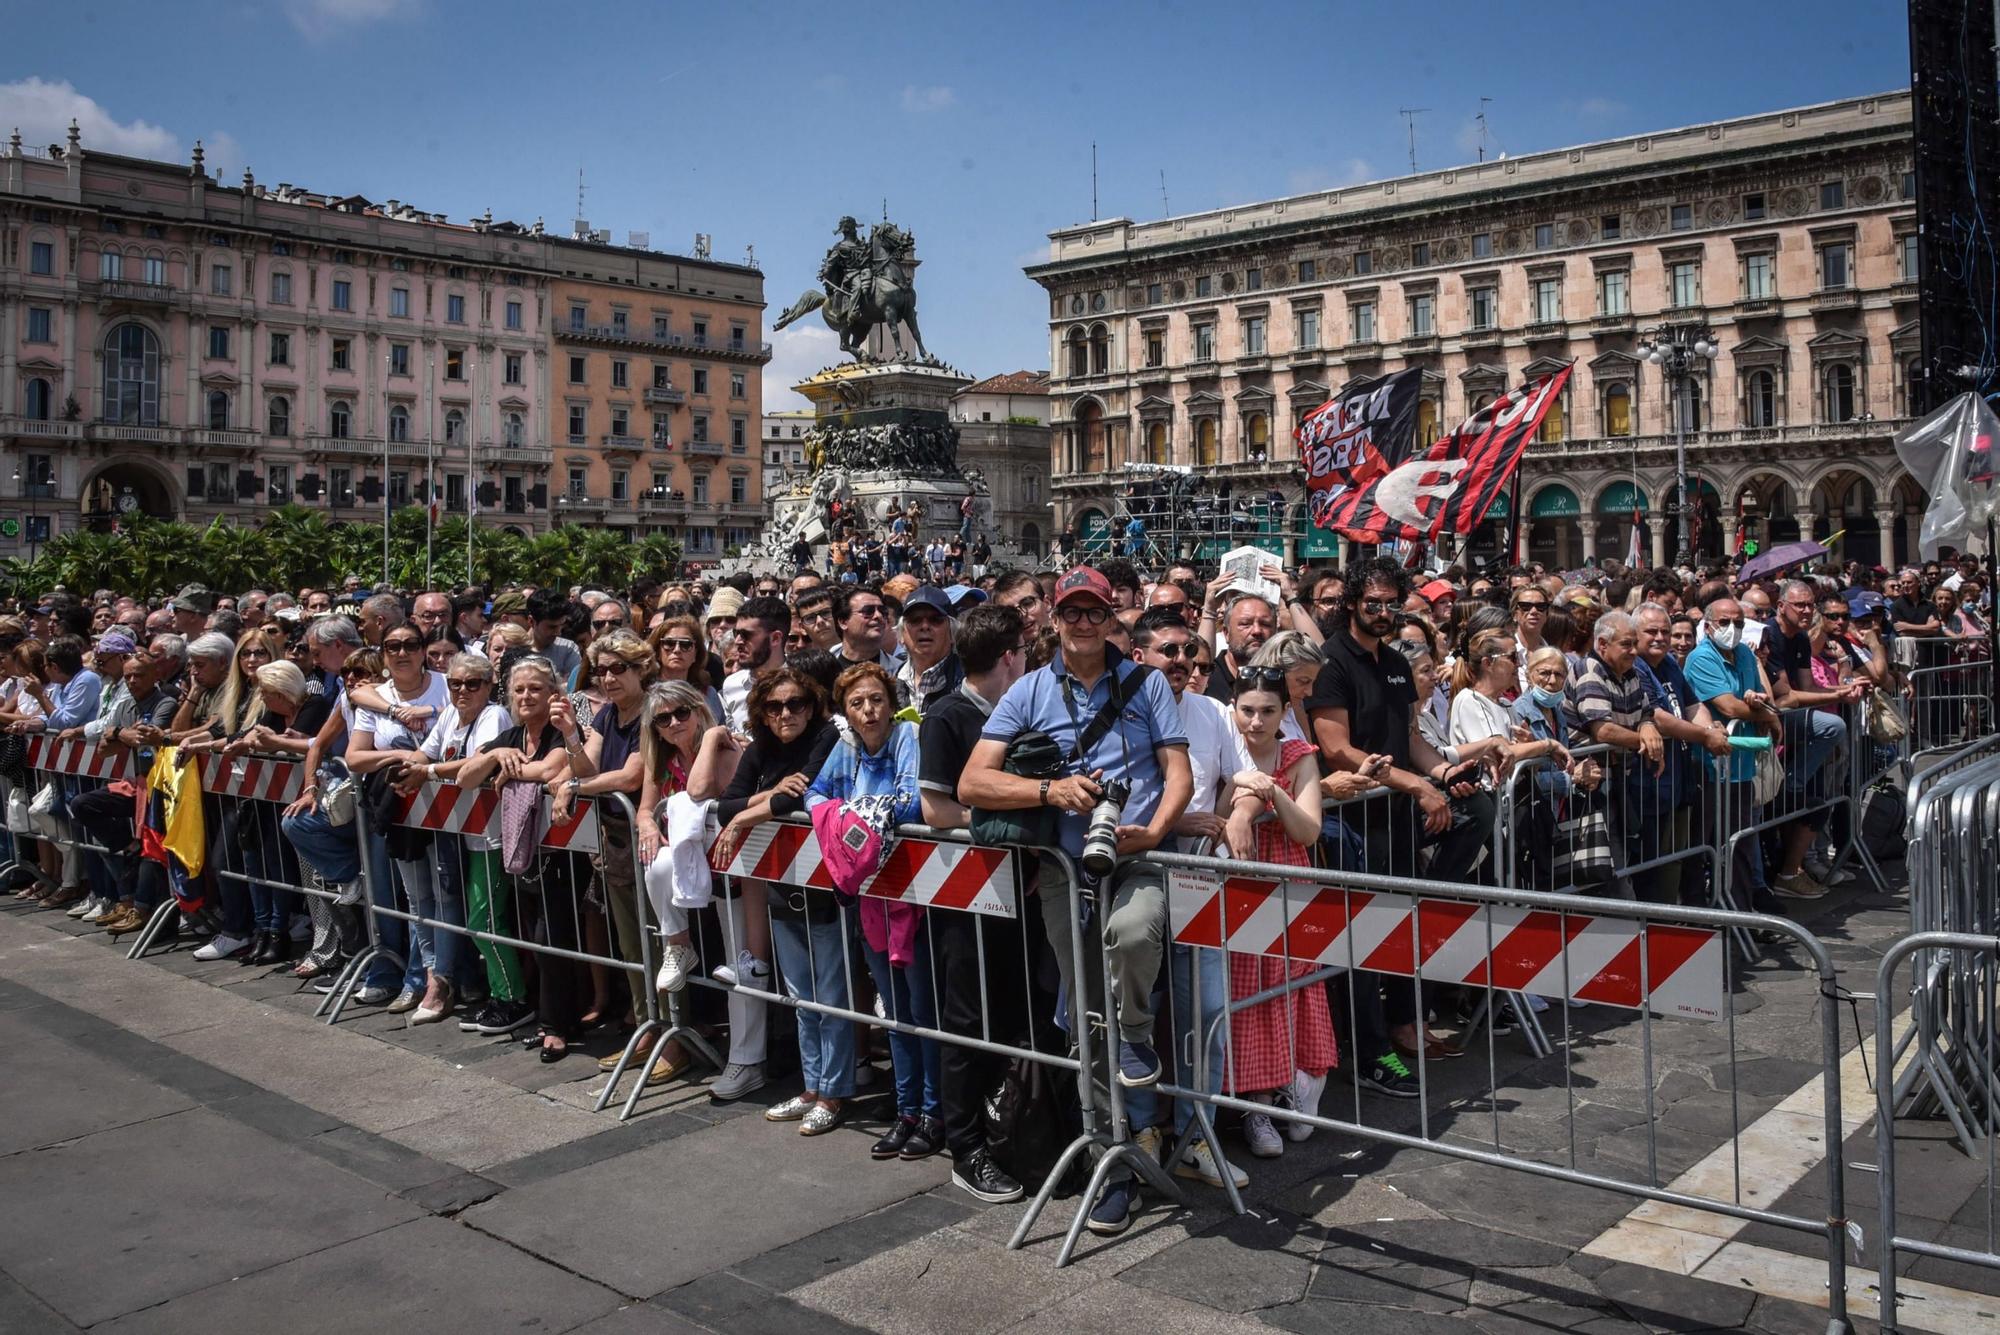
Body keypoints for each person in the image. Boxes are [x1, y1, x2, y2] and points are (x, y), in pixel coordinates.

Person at [959, 565, 1192, 1236]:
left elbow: (1178, 771)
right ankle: (1108, 1162)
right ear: (1054, 620)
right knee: (1089, 1015)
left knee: (1137, 933)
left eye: (1095, 611)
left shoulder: (1147, 683)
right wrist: (1049, 792)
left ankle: (1140, 1046)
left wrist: (1153, 828)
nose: (1084, 622)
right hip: (1065, 868)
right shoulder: (1029, 690)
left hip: (1137, 854)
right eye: (1073, 611)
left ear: (1111, 620)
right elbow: (974, 780)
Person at [806, 662, 939, 1159]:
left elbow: (910, 802)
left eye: (876, 699)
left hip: (911, 894)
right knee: (896, 1012)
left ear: (890, 699)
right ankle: (906, 1110)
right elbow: (817, 794)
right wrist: (845, 814)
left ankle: (933, 1111)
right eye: (857, 703)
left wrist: (857, 814)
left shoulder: (908, 735)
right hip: (870, 898)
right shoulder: (847, 748)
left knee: (923, 1008)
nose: (869, 711)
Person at [696, 666, 842, 1102]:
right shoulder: (761, 748)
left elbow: (807, 792)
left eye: (795, 703)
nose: (785, 713)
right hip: (782, 883)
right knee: (799, 993)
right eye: (775, 706)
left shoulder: (826, 737)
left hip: (828, 885)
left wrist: (748, 814)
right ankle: (812, 1086)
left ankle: (834, 1089)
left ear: (812, 705)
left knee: (831, 990)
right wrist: (766, 797)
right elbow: (725, 807)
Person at [1222, 667, 1337, 1161]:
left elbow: (1307, 831)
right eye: (1247, 710)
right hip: (1239, 882)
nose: (1256, 720)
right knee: (1248, 991)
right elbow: (1218, 807)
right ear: (1234, 710)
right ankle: (1258, 1107)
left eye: (1268, 711)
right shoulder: (1223, 748)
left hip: (1289, 877)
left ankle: (1304, 1079)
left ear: (1284, 713)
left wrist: (1273, 791)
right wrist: (1243, 796)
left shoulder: (1298, 755)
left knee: (1294, 982)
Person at [451, 655, 580, 1061]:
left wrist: (511, 772)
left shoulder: (561, 731)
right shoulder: (510, 735)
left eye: (535, 689)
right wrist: (491, 760)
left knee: (552, 939)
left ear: (553, 695)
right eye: (519, 690)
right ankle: (548, 1019)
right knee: (533, 939)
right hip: (526, 855)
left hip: (562, 854)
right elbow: (464, 778)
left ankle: (558, 1027)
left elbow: (549, 769)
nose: (525, 696)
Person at [398, 653, 530, 1037]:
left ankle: (513, 998)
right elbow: (428, 751)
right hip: (465, 837)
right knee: (479, 921)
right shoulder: (449, 715)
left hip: (494, 837)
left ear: (489, 686)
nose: (463, 691)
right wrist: (411, 765)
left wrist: (428, 771)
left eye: (473, 683)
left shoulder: (493, 717)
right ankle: (497, 994)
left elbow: (476, 764)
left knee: (484, 920)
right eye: (456, 683)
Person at [553, 629, 656, 1057]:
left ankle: (667, 1030)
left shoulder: (652, 710)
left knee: (658, 940)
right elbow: (590, 763)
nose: (609, 678)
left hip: (649, 837)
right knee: (631, 942)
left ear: (640, 669)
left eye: (619, 669)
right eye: (602, 670)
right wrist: (571, 736)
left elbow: (630, 776)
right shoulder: (608, 714)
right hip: (614, 836)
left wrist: (574, 785)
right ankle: (646, 1026)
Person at [1681, 596, 1782, 915]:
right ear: (1709, 626)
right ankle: (1699, 913)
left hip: (1741, 765)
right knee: (1702, 845)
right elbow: (1730, 706)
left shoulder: (1743, 653)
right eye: (1725, 622)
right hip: (1709, 766)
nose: (1732, 629)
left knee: (1740, 841)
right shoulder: (1701, 658)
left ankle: (1740, 911)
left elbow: (1757, 699)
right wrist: (1765, 713)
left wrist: (1762, 708)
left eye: (1738, 622)